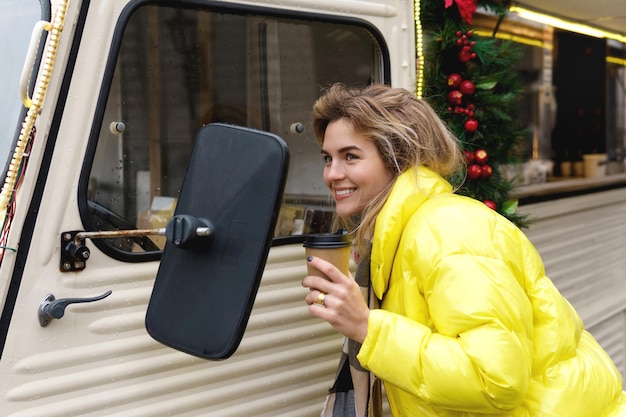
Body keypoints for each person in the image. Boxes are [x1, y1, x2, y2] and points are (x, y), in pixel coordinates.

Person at [302, 83, 626, 417]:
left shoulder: (447, 231)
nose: (332, 174)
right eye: (328, 158)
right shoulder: (399, 233)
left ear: (399, 157)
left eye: (350, 156)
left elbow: (495, 380)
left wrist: (367, 327)